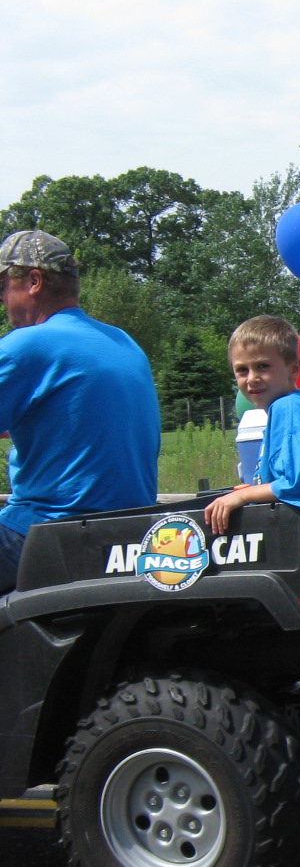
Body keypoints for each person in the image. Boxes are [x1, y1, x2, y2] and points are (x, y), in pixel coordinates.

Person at [0, 230, 160, 594]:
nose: (2, 299)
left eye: (4, 285)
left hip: (49, 533)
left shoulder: (25, 346)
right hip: (130, 534)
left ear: (34, 282)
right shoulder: (125, 343)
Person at [204, 316, 300, 533]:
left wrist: (242, 496)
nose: (252, 378)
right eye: (242, 370)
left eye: (262, 366)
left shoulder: (289, 408)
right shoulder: (292, 407)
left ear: (294, 369)